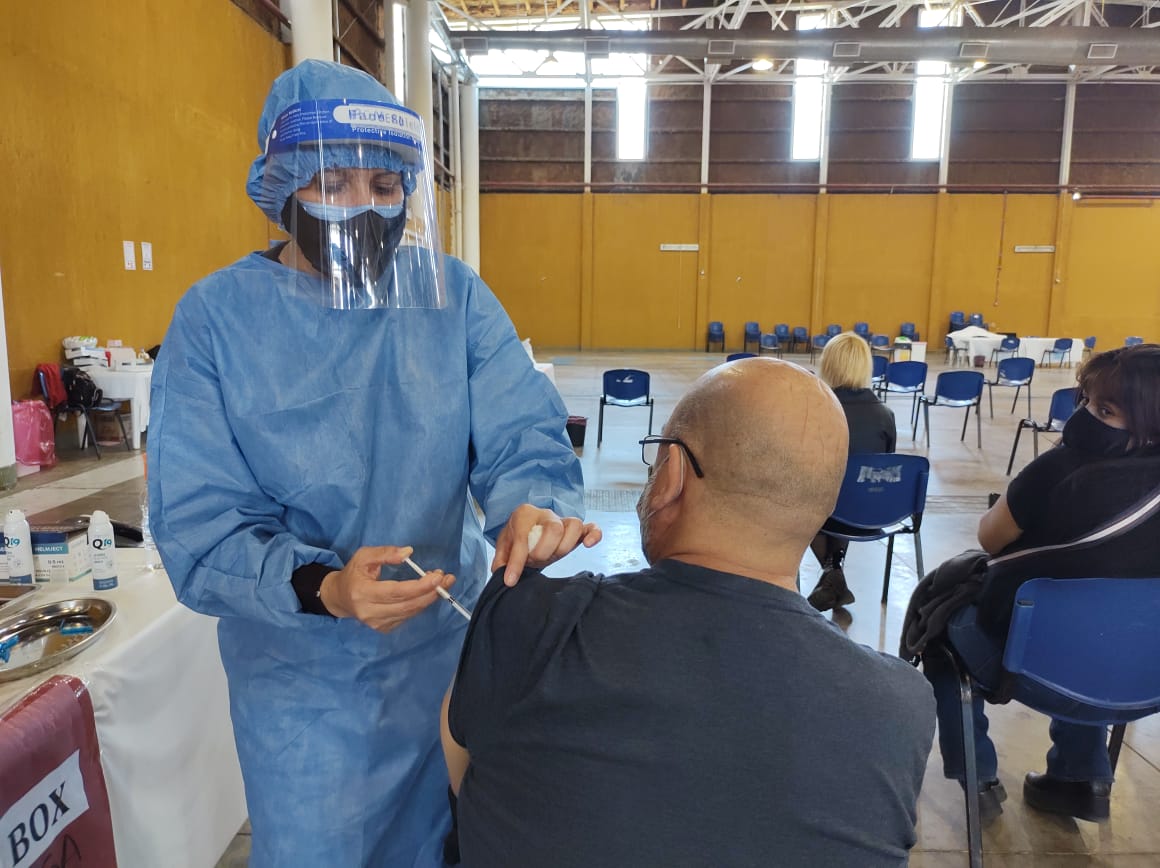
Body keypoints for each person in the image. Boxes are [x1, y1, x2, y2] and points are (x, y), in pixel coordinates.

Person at [147, 60, 599, 867]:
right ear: (283, 186)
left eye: (386, 186)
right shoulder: (216, 322)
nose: (364, 207)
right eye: (334, 183)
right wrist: (325, 587)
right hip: (303, 687)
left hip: (443, 660)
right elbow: (201, 525)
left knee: (452, 842)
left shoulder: (451, 296)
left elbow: (522, 434)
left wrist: (533, 509)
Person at [441, 357, 936, 868]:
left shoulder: (536, 622)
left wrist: (513, 588)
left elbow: (469, 785)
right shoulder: (901, 709)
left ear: (672, 474)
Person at [920, 343, 1160, 823]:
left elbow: (990, 538)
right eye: (1087, 401)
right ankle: (1080, 780)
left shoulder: (1059, 469)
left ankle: (978, 777)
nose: (1085, 416)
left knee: (940, 632)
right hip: (1143, 677)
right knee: (1098, 626)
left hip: (1032, 667)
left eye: (1107, 411)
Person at [807, 331, 897, 611]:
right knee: (851, 489)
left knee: (809, 497)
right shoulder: (885, 414)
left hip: (827, 511)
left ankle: (833, 576)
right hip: (871, 510)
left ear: (828, 364)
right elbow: (886, 465)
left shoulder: (819, 409)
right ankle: (834, 576)